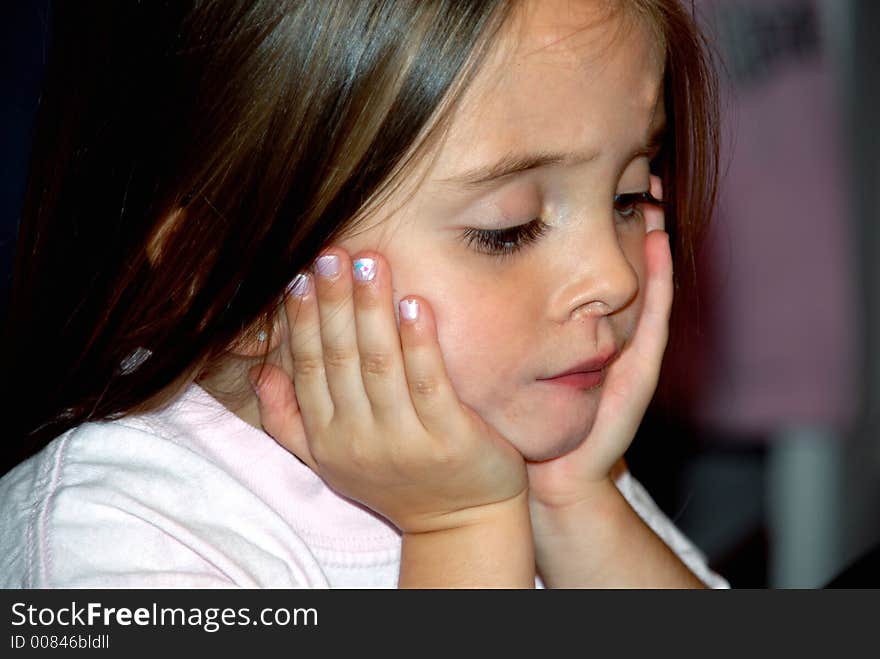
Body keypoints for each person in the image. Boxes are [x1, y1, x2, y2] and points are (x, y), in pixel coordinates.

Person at [0, 0, 727, 588]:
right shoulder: (105, 535)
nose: (614, 276)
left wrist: (576, 505)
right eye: (507, 229)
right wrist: (460, 529)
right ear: (217, 274)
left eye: (630, 197)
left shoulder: (538, 445)